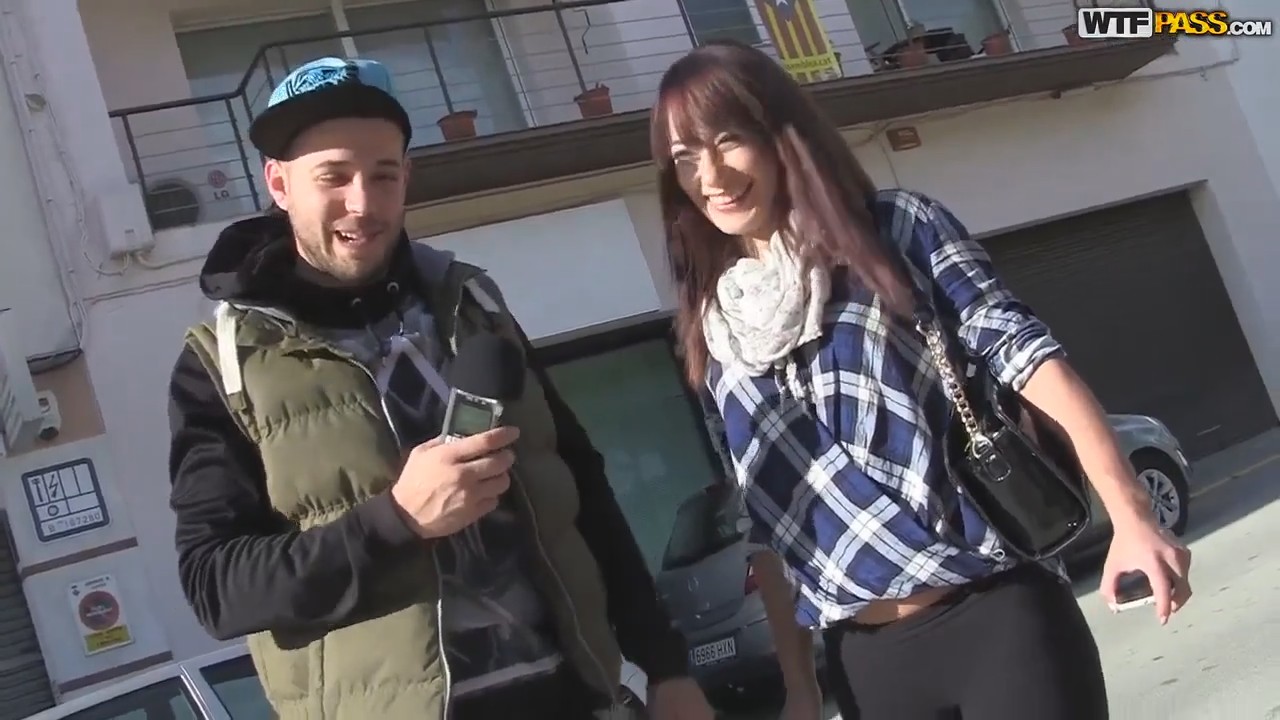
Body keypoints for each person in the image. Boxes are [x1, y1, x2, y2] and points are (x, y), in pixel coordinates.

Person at [648, 41, 1193, 720]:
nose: (711, 175)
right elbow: (768, 530)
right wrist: (800, 688)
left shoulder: (896, 229)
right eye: (685, 157)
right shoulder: (714, 327)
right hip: (864, 662)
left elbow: (1027, 356)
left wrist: (1132, 516)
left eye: (728, 140)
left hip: (996, 616)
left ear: (778, 134)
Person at [166, 56, 715, 720]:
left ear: (407, 177)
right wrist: (396, 520)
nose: (362, 203)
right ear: (279, 184)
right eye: (333, 177)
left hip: (569, 696)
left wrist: (665, 664)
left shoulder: (473, 302)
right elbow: (215, 588)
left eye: (383, 175)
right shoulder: (221, 364)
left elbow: (581, 485)